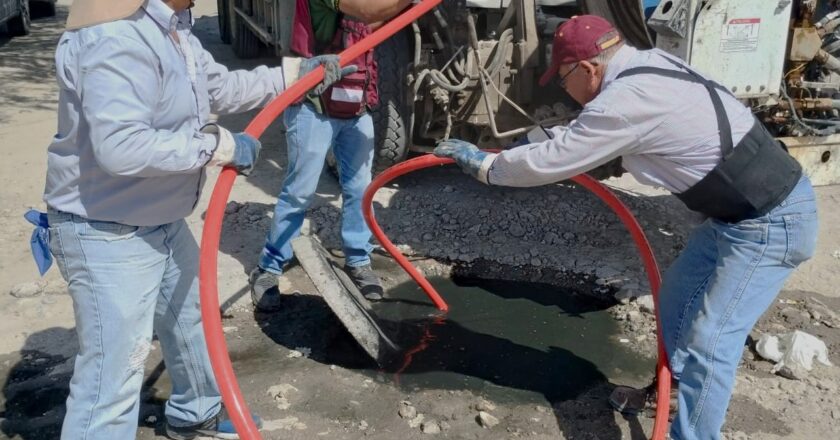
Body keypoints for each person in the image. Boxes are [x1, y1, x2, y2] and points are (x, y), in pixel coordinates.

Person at [434, 15, 818, 440]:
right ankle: (668, 394)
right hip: (734, 219)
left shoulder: (627, 99)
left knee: (712, 341)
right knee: (674, 299)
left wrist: (488, 166)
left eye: (562, 80)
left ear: (587, 68)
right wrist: (525, 144)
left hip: (769, 223)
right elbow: (586, 132)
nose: (564, 90)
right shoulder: (647, 67)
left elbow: (554, 159)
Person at [31, 0, 353, 438]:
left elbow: (216, 87)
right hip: (105, 230)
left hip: (158, 219)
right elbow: (122, 146)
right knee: (115, 372)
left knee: (190, 322)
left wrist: (294, 76)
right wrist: (216, 147)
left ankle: (195, 414)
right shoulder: (115, 37)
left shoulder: (169, 28)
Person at [249, 0, 416, 310]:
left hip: (355, 107)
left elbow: (370, 25)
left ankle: (358, 260)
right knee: (300, 191)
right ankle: (269, 268)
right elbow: (367, 11)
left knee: (360, 189)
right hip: (315, 106)